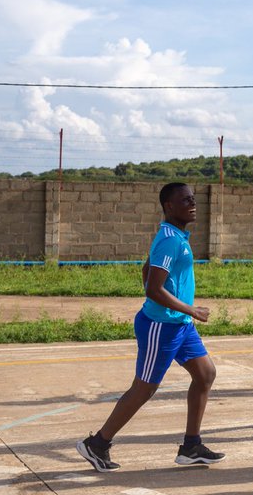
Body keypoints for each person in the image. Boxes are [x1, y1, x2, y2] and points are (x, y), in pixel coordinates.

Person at [77, 183, 224, 471]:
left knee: (205, 374)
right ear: (169, 206)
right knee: (144, 389)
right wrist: (191, 309)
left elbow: (147, 269)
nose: (193, 203)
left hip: (179, 325)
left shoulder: (176, 236)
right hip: (161, 326)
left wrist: (181, 311)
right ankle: (98, 444)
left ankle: (191, 446)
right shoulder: (170, 239)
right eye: (185, 200)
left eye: (193, 198)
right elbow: (153, 289)